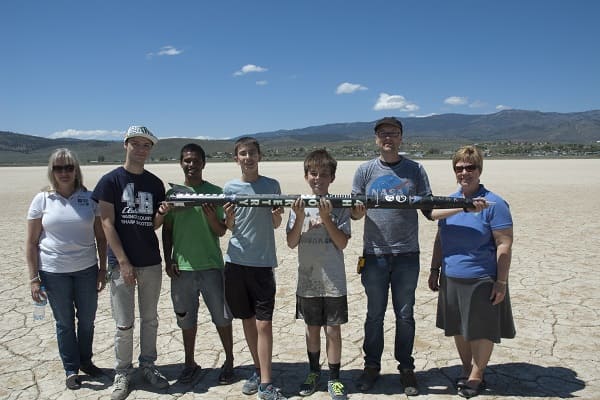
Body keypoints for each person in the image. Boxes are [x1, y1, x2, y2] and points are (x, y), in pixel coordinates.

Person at [351, 116, 433, 396]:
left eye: (394, 133)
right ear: (376, 139)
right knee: (374, 315)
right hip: (374, 255)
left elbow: (429, 208)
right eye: (383, 133)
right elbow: (354, 210)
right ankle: (371, 367)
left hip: (407, 255)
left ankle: (406, 369)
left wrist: (464, 208)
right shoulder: (364, 171)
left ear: (401, 138)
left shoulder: (416, 170)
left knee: (405, 315)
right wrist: (357, 211)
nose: (388, 138)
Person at [428, 145, 515, 398]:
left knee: (480, 329)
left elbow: (504, 244)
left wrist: (501, 282)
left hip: (481, 278)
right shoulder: (450, 202)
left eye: (470, 167)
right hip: (452, 276)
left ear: (480, 169)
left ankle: (477, 374)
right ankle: (467, 368)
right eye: (459, 168)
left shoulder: (494, 203)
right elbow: (439, 236)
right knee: (458, 328)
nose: (464, 172)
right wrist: (435, 269)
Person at [92, 126, 170, 400]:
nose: (140, 149)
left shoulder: (155, 183)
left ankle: (148, 365)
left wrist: (161, 215)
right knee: (124, 323)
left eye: (146, 145)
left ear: (150, 150)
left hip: (150, 261)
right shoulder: (110, 181)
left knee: (150, 319)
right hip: (120, 264)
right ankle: (123, 372)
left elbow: (153, 224)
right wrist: (123, 261)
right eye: (135, 144)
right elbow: (106, 223)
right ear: (125, 145)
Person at [25, 148, 107, 390]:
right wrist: (33, 278)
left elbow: (101, 238)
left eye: (68, 167)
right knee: (64, 323)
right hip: (53, 272)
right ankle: (71, 368)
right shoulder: (42, 199)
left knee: (88, 320)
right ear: (51, 171)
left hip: (86, 269)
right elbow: (31, 242)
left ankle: (86, 361)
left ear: (76, 170)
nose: (64, 172)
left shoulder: (89, 198)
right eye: (58, 168)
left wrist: (102, 269)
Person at [162, 143, 236, 385]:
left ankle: (229, 361)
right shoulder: (173, 195)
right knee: (186, 319)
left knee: (222, 317)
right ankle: (189, 362)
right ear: (181, 163)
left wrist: (211, 217)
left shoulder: (214, 193)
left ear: (203, 163)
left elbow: (221, 231)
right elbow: (168, 229)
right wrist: (168, 258)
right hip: (182, 268)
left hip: (211, 266)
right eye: (186, 160)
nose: (190, 165)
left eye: (195, 160)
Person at [222, 137, 286, 400]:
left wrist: (275, 211)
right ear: (236, 158)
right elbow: (229, 227)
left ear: (260, 156)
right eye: (243, 154)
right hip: (236, 262)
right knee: (247, 320)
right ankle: (258, 370)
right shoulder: (230, 187)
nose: (248, 158)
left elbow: (275, 223)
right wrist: (229, 216)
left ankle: (267, 383)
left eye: (252, 153)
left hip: (262, 263)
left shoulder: (271, 185)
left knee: (264, 324)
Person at [286, 150, 351, 400]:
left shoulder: (338, 206)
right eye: (314, 173)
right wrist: (301, 218)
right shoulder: (299, 205)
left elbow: (342, 243)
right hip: (308, 280)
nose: (318, 179)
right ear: (306, 176)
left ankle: (334, 379)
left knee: (333, 330)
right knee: (312, 329)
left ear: (332, 178)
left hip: (333, 280)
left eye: (324, 175)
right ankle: (314, 372)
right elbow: (291, 242)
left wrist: (327, 218)